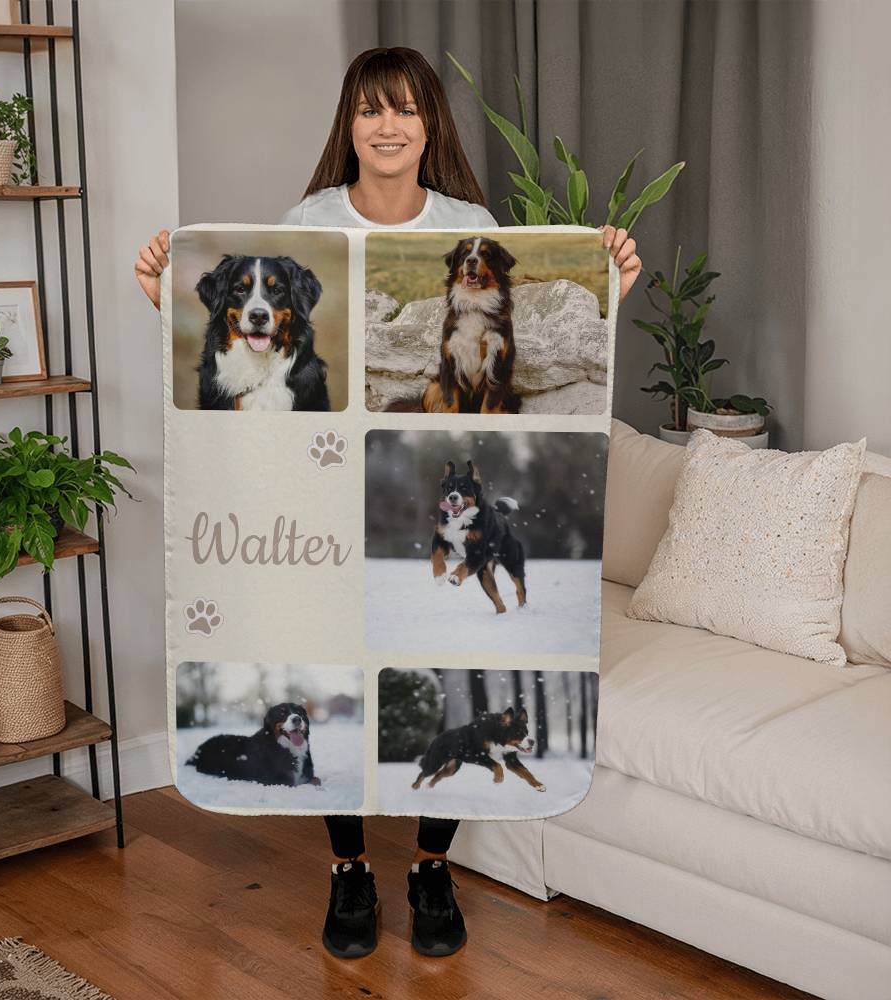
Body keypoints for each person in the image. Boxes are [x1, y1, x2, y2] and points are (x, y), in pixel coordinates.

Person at [134, 46, 641, 962]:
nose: (388, 125)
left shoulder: (471, 222)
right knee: (325, 655)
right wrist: (158, 292)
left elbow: (539, 323)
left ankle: (432, 865)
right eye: (371, 109)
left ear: (429, 124)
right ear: (351, 124)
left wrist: (614, 284)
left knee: (441, 653)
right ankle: (349, 868)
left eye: (406, 108)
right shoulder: (308, 220)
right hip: (313, 482)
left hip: (408, 456)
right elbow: (256, 356)